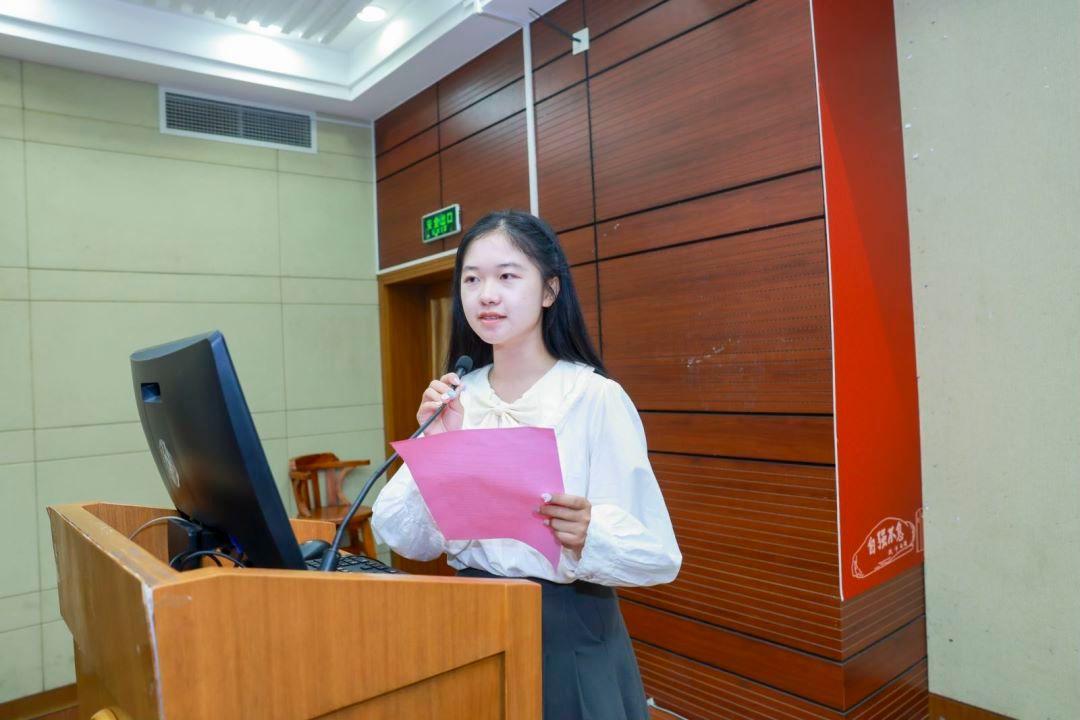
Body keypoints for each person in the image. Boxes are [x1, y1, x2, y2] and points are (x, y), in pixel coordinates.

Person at [371, 210, 681, 720]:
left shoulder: (593, 397)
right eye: (472, 279)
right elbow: (405, 539)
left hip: (569, 629)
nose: (486, 295)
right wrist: (439, 444)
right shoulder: (457, 395)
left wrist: (588, 532)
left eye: (507, 276)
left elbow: (658, 554)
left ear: (549, 291)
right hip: (468, 619)